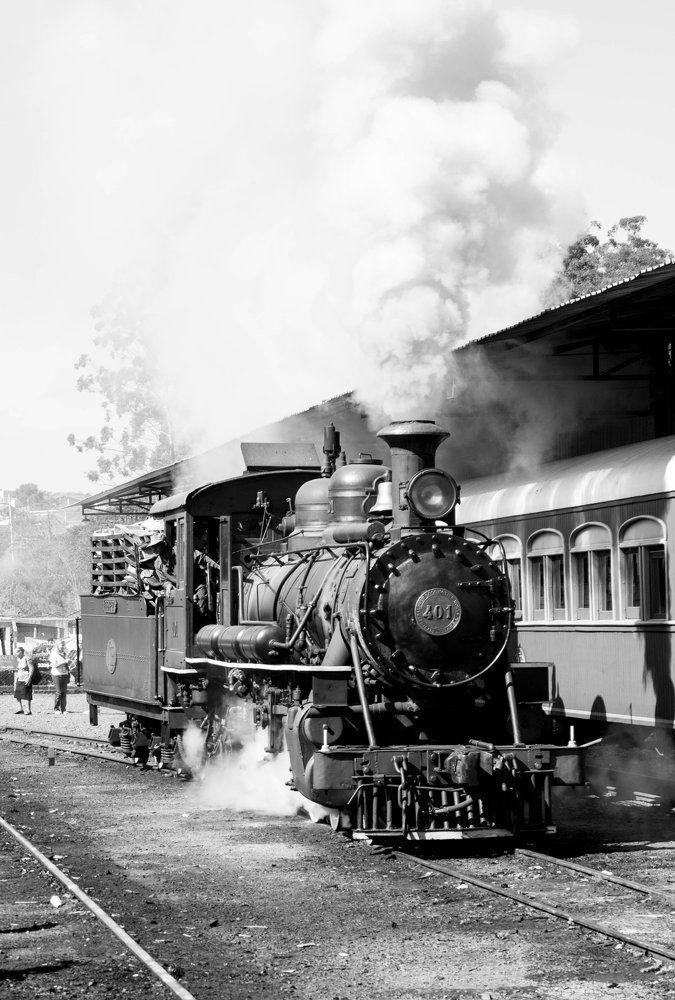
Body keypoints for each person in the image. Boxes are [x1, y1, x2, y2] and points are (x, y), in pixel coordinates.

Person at [49, 639, 70, 714]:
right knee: (59, 692)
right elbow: (55, 665)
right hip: (56, 674)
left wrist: (69, 663)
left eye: (64, 645)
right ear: (57, 645)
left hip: (65, 674)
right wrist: (64, 662)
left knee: (64, 692)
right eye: (62, 645)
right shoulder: (54, 653)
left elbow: (66, 663)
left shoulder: (64, 653)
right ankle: (56, 709)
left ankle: (63, 709)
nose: (63, 646)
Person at [13, 646, 34, 715]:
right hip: (19, 678)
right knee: (17, 694)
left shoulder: (27, 658)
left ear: (20, 652)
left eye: (16, 652)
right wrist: (16, 679)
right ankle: (20, 709)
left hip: (26, 678)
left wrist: (29, 678)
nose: (15, 653)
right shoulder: (18, 659)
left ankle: (28, 710)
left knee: (27, 694)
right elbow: (18, 670)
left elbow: (31, 668)